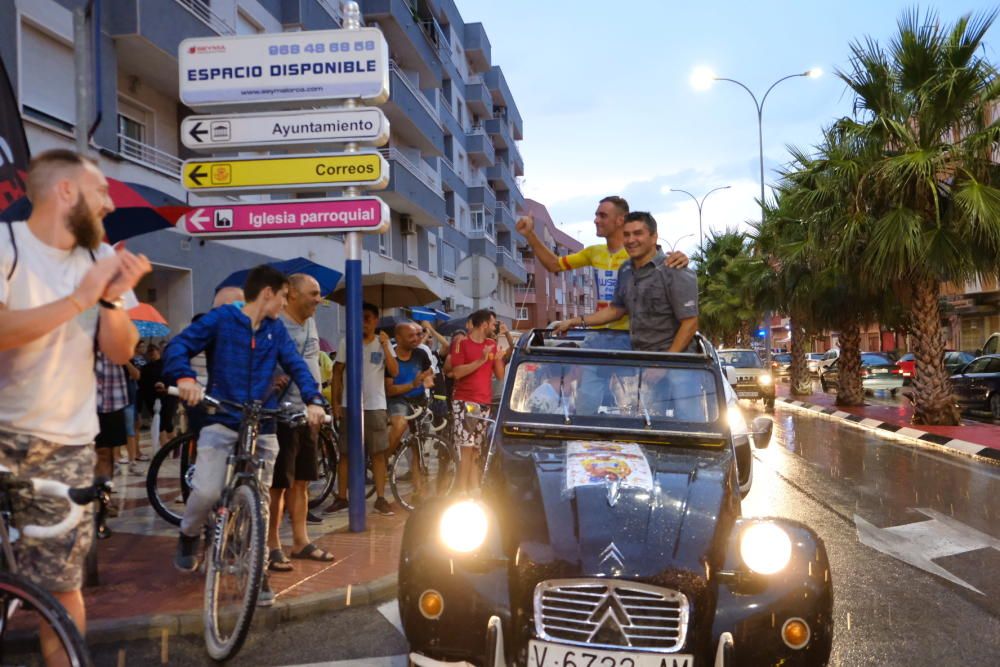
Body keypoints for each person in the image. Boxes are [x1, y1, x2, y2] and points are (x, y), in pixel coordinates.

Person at [0, 149, 150, 664]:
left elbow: (120, 351)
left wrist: (110, 299)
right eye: (101, 192)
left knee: (61, 593)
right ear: (65, 192)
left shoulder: (98, 258)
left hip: (65, 445)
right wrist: (79, 300)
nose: (109, 204)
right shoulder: (5, 245)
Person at [163, 265, 327, 608]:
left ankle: (257, 572)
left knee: (260, 503)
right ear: (267, 293)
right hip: (222, 418)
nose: (284, 304)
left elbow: (297, 365)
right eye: (283, 297)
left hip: (263, 424)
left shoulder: (274, 332)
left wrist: (313, 399)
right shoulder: (222, 320)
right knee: (207, 491)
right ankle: (189, 534)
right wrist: (185, 379)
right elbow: (179, 346)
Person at [556, 213, 700, 417]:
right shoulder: (625, 270)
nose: (631, 240)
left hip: (677, 360)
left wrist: (665, 363)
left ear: (654, 237)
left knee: (690, 422)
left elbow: (690, 323)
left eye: (638, 233)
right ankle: (582, 426)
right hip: (642, 357)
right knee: (653, 420)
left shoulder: (674, 269)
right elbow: (616, 309)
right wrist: (576, 321)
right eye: (627, 234)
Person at [267, 274, 335, 570]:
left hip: (306, 414)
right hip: (278, 415)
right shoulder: (274, 323)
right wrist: (271, 378)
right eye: (314, 293)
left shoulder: (309, 323)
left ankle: (300, 541)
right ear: (292, 294)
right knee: (277, 486)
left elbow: (310, 365)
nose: (318, 299)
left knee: (303, 482)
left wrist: (316, 402)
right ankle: (271, 545)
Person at [325, 302, 399, 515]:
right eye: (360, 318)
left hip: (376, 405)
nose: (364, 322)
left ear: (376, 320)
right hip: (350, 405)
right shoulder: (346, 342)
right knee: (346, 453)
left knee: (378, 453)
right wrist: (336, 404)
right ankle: (341, 497)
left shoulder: (382, 343)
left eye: (368, 318)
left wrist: (386, 345)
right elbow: (337, 373)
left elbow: (394, 372)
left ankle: (381, 498)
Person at [444, 309, 504, 495]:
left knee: (476, 448)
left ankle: (474, 489)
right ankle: (462, 490)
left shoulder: (492, 345)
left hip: (484, 402)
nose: (495, 327)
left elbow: (500, 375)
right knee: (466, 447)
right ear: (484, 324)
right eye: (493, 323)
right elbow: (457, 372)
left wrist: (500, 359)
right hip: (464, 401)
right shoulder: (461, 343)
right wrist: (481, 360)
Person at [386, 322, 434, 501]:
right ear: (398, 338)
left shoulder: (421, 353)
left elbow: (429, 370)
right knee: (399, 424)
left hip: (419, 401)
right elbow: (390, 390)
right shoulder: (391, 357)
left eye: (417, 335)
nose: (416, 339)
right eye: (411, 336)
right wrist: (412, 385)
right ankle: (384, 460)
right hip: (398, 400)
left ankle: (418, 490)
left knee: (417, 447)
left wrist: (427, 377)